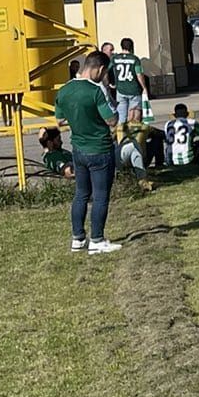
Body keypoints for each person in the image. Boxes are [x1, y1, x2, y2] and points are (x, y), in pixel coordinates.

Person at [54, 55, 121, 253]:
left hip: (78, 149)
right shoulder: (96, 90)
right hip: (99, 148)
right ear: (100, 69)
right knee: (100, 196)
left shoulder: (64, 90)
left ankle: (78, 238)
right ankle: (97, 239)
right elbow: (111, 120)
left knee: (81, 194)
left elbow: (59, 121)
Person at [108, 36, 149, 124]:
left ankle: (120, 134)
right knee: (134, 114)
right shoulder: (134, 59)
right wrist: (144, 88)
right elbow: (139, 74)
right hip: (134, 90)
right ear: (132, 47)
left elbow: (107, 70)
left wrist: (110, 83)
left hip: (120, 90)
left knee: (121, 116)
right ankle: (132, 133)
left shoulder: (114, 58)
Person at [165, 103, 197, 169]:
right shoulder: (192, 123)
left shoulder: (168, 124)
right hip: (188, 159)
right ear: (187, 114)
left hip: (171, 159)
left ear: (175, 115)